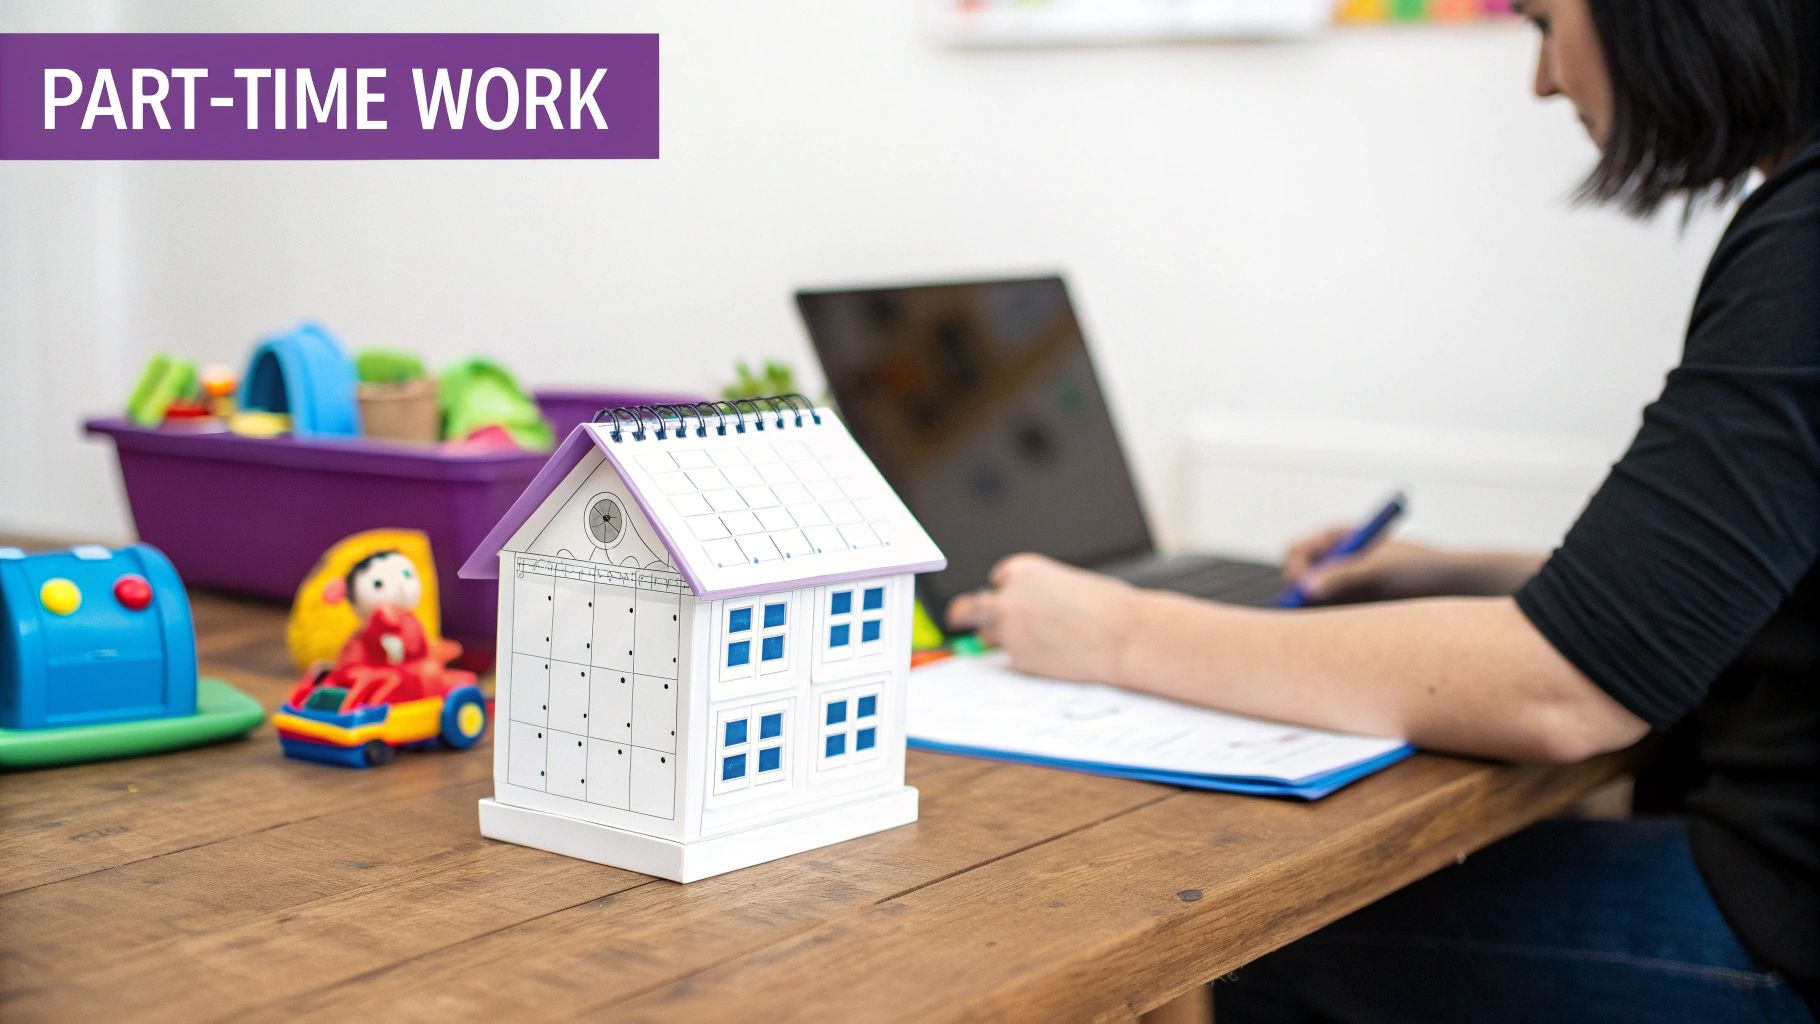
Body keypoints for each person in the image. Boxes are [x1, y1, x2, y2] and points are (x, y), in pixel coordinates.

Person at [945, 0, 1820, 1018]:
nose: (1539, 78)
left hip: (1776, 928)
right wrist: (1469, 572)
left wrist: (1115, 631)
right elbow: (1738, 577)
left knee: (1238, 933)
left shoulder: (1803, 242)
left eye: (1542, 20)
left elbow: (1560, 692)